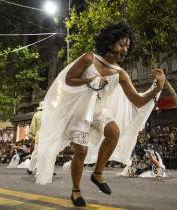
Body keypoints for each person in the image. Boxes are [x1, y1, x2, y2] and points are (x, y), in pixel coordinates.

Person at [35, 21, 165, 207]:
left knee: (114, 133)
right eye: (122, 44)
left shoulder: (120, 74)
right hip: (79, 112)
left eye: (128, 46)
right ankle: (76, 191)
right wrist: (90, 79)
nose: (125, 49)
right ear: (110, 42)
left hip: (98, 112)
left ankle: (97, 174)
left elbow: (137, 100)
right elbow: (69, 80)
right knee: (81, 151)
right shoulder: (89, 59)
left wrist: (155, 89)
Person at [27, 101, 44, 174]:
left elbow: (33, 127)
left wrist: (31, 134)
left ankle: (30, 169)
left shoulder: (36, 115)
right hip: (49, 137)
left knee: (36, 153)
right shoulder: (51, 114)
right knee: (48, 154)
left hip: (39, 137)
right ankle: (48, 170)